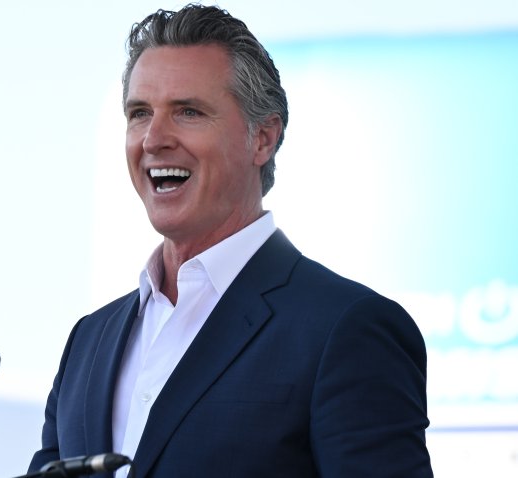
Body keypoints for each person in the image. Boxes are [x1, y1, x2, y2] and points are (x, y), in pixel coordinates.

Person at [29, 4, 433, 477]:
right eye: (140, 113)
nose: (154, 138)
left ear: (262, 138)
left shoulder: (345, 329)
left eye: (188, 112)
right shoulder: (88, 341)